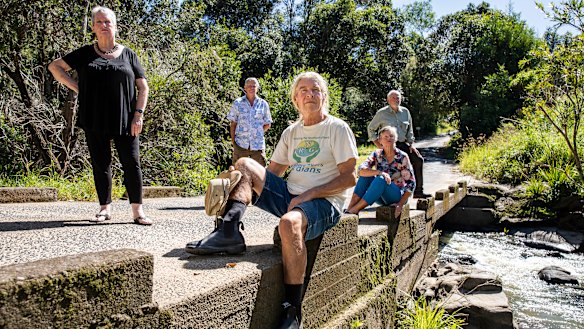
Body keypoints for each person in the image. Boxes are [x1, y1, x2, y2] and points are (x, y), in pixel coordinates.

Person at [186, 72, 358, 329]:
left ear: (324, 96)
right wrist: (238, 184)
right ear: (295, 99)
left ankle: (292, 310)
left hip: (325, 202)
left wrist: (308, 195)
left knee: (289, 224)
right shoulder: (291, 132)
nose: (309, 94)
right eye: (303, 90)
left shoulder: (337, 128)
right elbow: (272, 173)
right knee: (245, 164)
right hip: (291, 195)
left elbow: (350, 177)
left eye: (315, 90)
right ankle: (230, 230)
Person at [48, 6, 152, 225]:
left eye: (108, 22)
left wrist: (138, 115)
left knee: (131, 164)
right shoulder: (85, 53)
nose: (104, 25)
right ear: (93, 27)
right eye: (99, 22)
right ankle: (105, 209)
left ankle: (137, 211)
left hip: (126, 120)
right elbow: (55, 67)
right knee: (101, 164)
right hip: (94, 118)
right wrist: (78, 88)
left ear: (115, 26)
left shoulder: (128, 54)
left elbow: (143, 87)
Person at [367, 90, 430, 198]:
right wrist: (379, 144)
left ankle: (418, 191)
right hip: (389, 146)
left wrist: (411, 144)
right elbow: (371, 128)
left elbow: (410, 129)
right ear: (388, 100)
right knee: (392, 168)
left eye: (398, 98)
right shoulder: (382, 113)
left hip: (403, 144)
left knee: (418, 160)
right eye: (393, 98)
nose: (396, 100)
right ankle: (388, 195)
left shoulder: (405, 112)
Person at [346, 126, 415, 217]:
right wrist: (379, 172)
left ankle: (355, 209)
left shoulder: (402, 156)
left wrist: (400, 204)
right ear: (380, 140)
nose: (389, 138)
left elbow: (411, 183)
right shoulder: (376, 154)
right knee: (367, 176)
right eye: (385, 137)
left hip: (397, 196)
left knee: (381, 179)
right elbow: (361, 170)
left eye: (391, 136)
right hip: (380, 196)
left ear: (396, 139)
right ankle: (350, 208)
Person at [228, 77, 272, 166]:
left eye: (254, 86)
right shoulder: (237, 103)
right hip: (241, 144)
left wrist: (256, 132)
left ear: (257, 88)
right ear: (245, 88)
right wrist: (234, 143)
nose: (252, 88)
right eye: (249, 86)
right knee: (237, 173)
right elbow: (233, 124)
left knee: (261, 174)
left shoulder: (263, 104)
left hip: (258, 146)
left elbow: (267, 124)